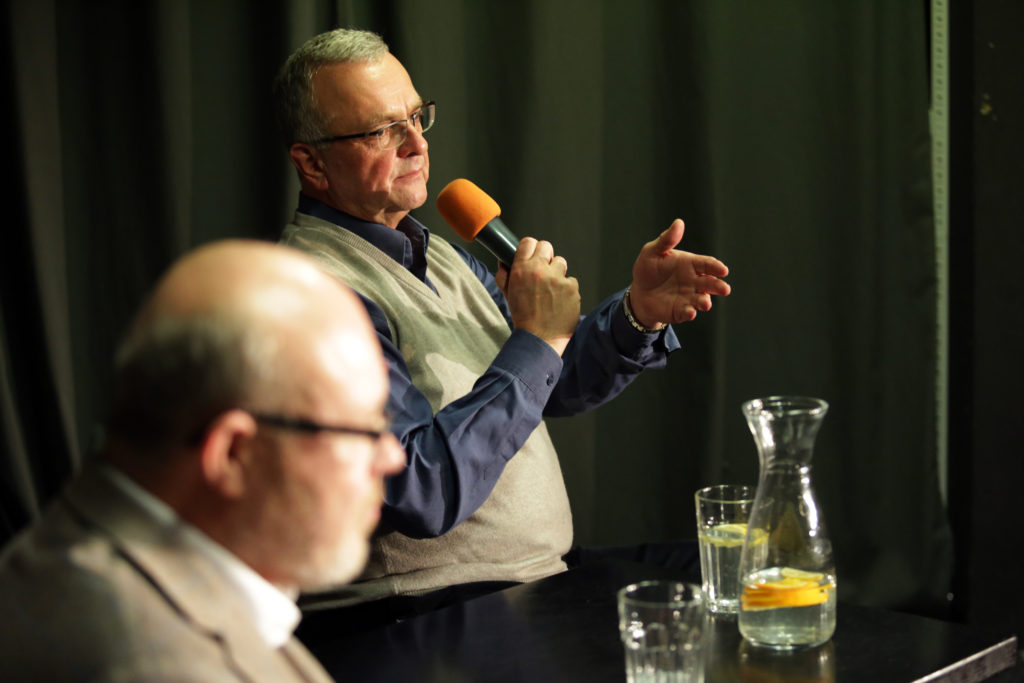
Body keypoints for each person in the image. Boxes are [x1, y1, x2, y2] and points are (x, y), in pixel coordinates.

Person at [273, 29, 731, 617]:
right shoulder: (314, 294)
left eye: (416, 117)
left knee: (737, 568)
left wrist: (636, 315)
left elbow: (545, 384)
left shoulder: (443, 256)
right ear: (311, 163)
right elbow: (421, 490)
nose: (417, 143)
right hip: (428, 607)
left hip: (535, 580)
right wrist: (536, 338)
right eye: (382, 130)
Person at [0, 240, 405, 681]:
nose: (393, 457)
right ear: (234, 454)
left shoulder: (66, 557)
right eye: (366, 429)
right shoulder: (164, 666)